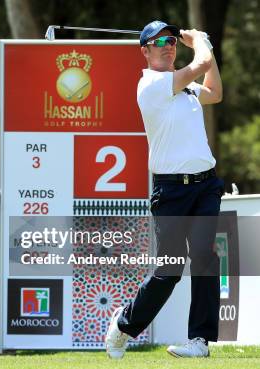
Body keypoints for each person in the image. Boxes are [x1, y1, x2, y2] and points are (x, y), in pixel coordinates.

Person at [105, 21, 224, 359]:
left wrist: (206, 51)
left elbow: (215, 92)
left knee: (204, 258)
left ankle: (199, 341)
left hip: (205, 185)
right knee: (169, 270)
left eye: (171, 40)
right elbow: (199, 65)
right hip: (171, 191)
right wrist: (200, 41)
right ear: (144, 51)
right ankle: (124, 326)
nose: (168, 45)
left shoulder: (185, 89)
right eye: (158, 42)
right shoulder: (152, 85)